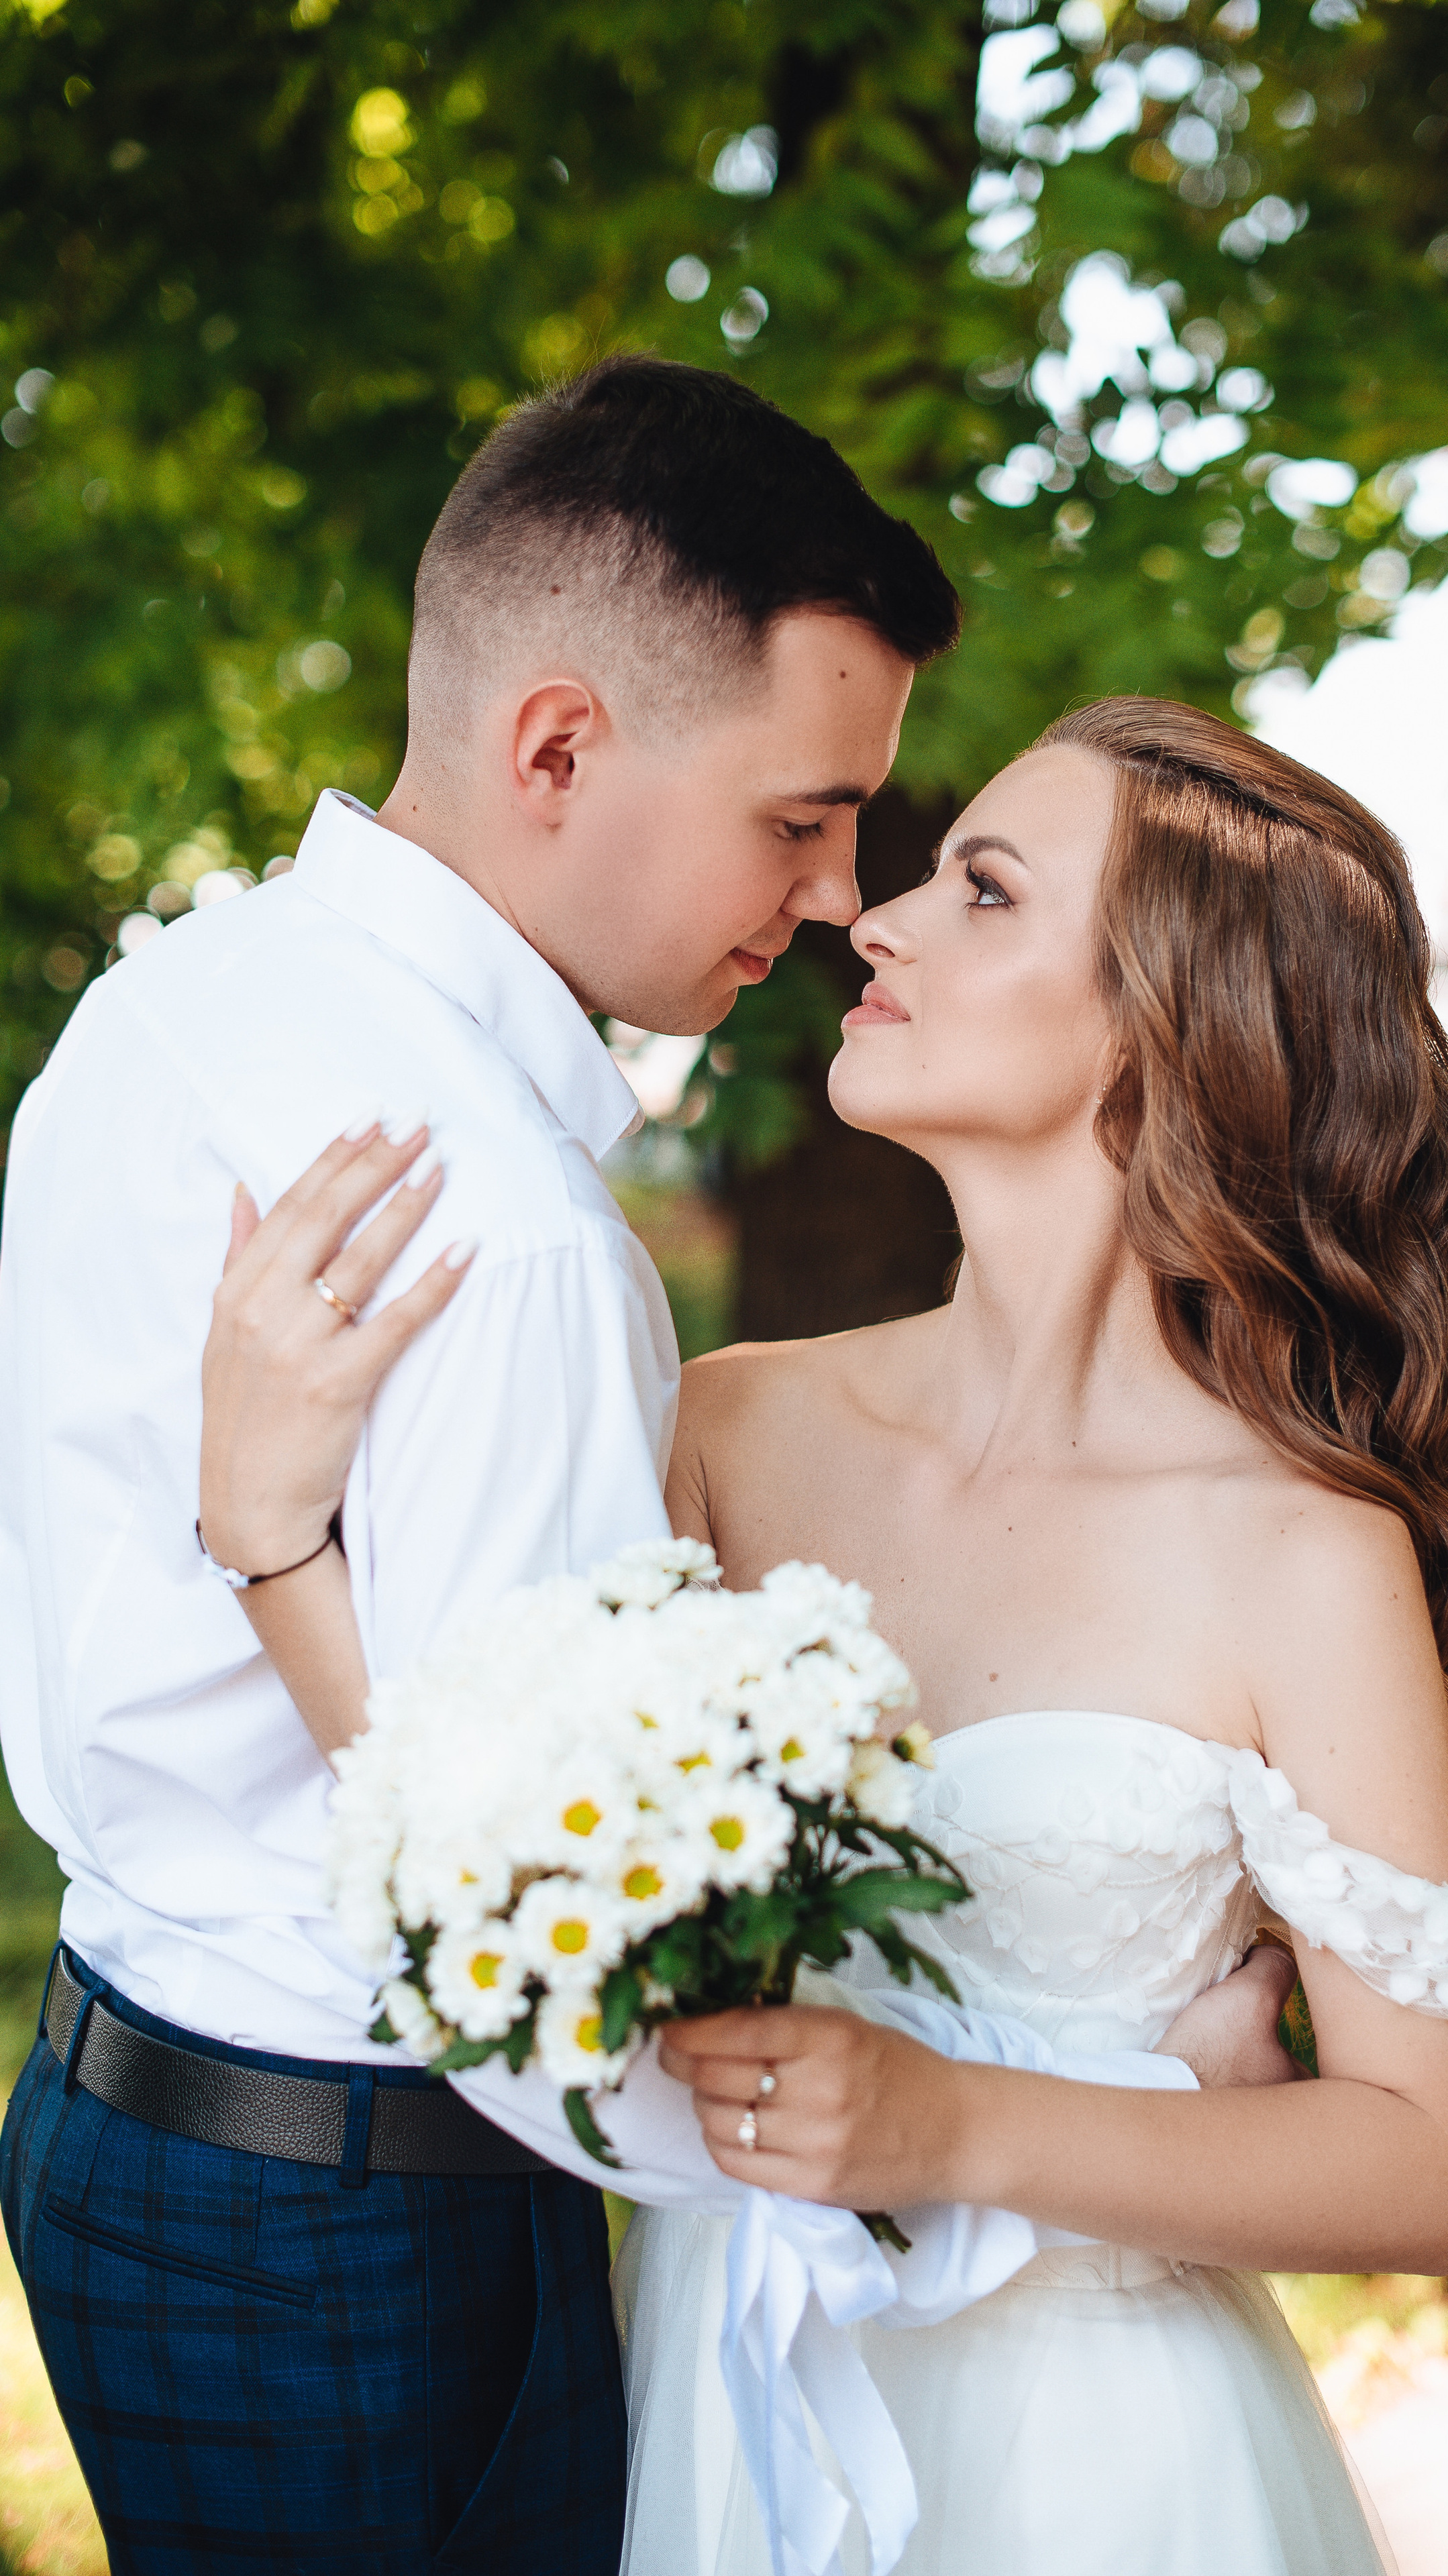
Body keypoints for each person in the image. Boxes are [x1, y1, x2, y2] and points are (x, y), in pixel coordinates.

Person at [180, 697, 1448, 2574]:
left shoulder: (1301, 1552)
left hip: (1103, 2474)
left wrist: (961, 2124)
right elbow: (494, 1865)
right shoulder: (728, 1427)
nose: (876, 918)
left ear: (1168, 1024)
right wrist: (271, 1550)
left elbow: (1438, 2165)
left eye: (982, 890)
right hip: (726, 2417)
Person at [0, 355, 966, 2576]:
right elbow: (542, 1941)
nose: (839, 895)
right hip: (367, 2220)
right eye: (800, 818)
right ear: (558, 747)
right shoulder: (504, 1231)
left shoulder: (174, 1004)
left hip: (117, 2103)